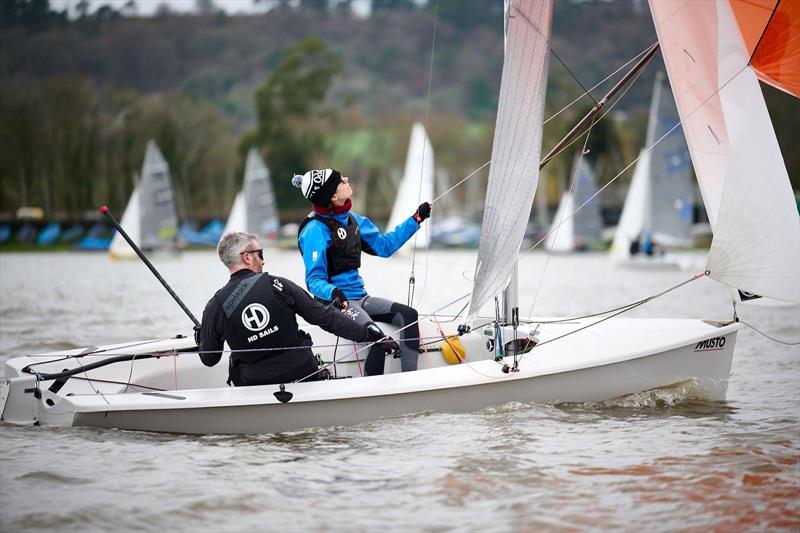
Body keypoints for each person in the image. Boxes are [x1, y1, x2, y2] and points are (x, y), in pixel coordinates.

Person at [198, 231, 397, 387]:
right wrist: (370, 336)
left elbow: (209, 358)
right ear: (247, 258)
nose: (263, 260)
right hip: (303, 372)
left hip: (255, 383)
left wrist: (202, 336)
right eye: (260, 254)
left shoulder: (215, 306)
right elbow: (325, 317)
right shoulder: (279, 285)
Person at [291, 168, 431, 377]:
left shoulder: (353, 220)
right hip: (334, 304)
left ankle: (410, 380)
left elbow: (385, 246)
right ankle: (371, 393)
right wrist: (334, 293)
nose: (346, 179)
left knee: (409, 315)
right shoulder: (314, 231)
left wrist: (416, 219)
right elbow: (314, 280)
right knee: (374, 335)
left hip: (361, 298)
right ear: (333, 196)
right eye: (340, 180)